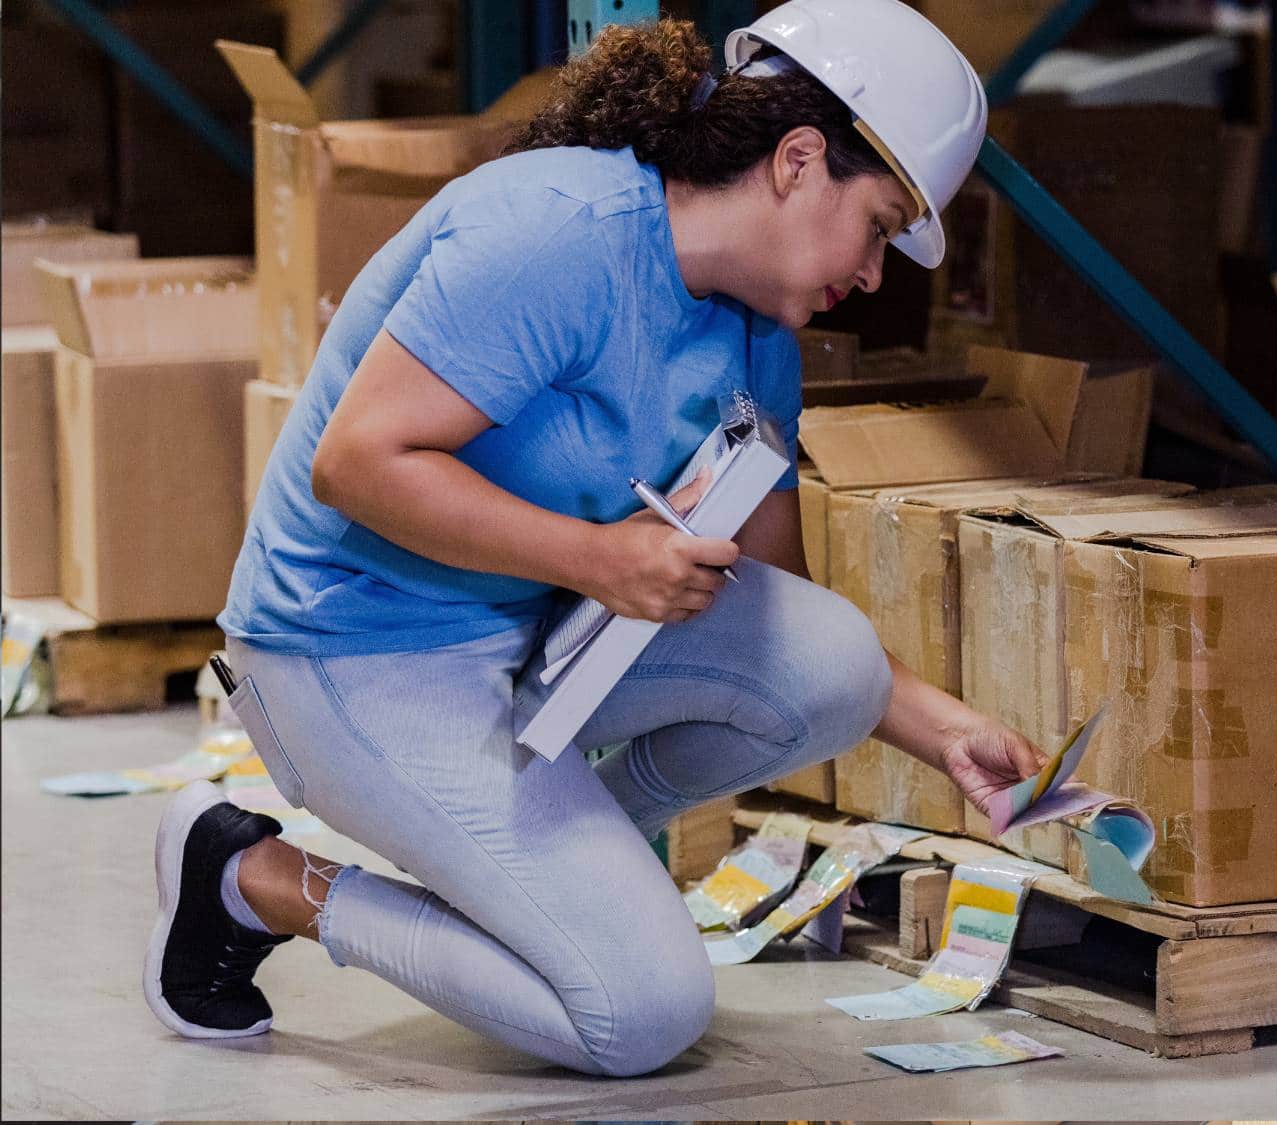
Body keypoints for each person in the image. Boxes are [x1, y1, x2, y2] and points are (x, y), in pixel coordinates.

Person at [144, 1, 1042, 1077]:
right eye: (881, 224)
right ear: (799, 161)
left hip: (531, 637)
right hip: (352, 648)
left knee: (828, 658)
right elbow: (361, 463)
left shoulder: (757, 337)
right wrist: (599, 561)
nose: (874, 273)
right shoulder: (559, 233)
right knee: (637, 1016)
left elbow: (774, 598)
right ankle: (253, 882)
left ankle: (523, 875)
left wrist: (944, 732)